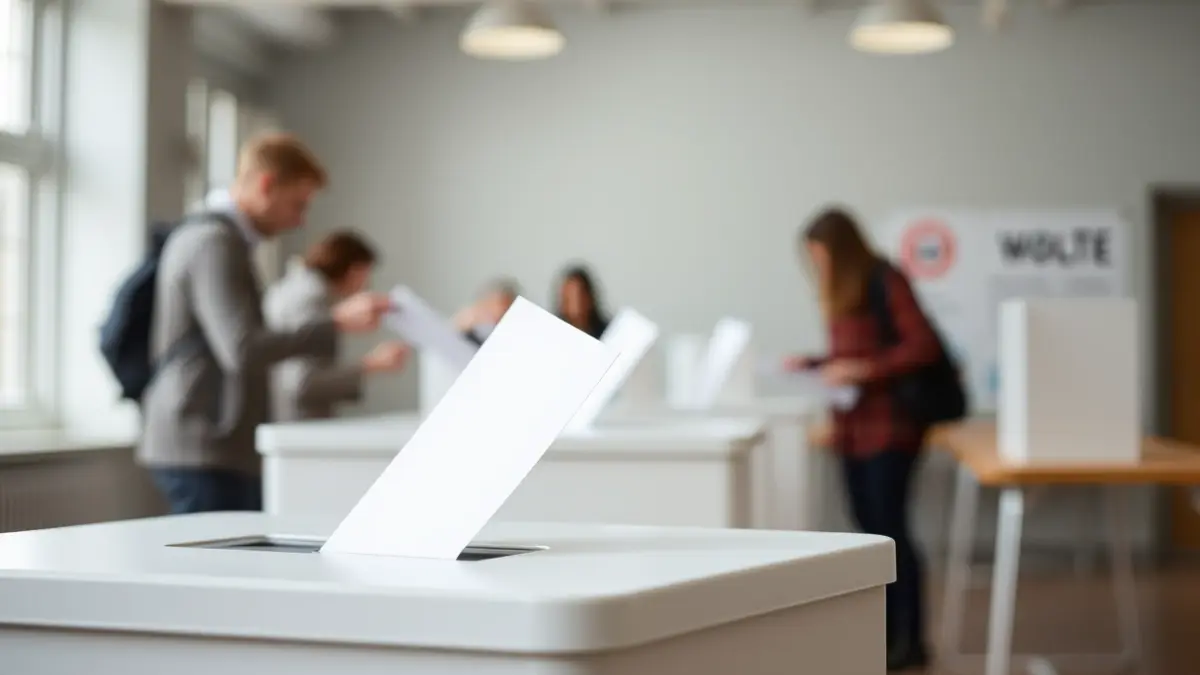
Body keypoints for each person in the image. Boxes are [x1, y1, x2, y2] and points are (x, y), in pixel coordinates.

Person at [138, 133, 393, 516]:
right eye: (298, 204)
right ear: (266, 185)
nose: (300, 220)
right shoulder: (213, 243)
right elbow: (242, 349)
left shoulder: (222, 241)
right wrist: (335, 324)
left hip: (214, 439)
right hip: (204, 437)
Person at [783, 207, 941, 671]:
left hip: (891, 430)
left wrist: (865, 370)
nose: (818, 267)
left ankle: (910, 639)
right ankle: (883, 633)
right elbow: (850, 356)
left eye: (822, 256)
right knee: (869, 531)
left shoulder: (884, 280)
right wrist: (815, 365)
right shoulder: (842, 293)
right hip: (852, 432)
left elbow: (922, 345)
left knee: (891, 533)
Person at [264, 230, 410, 422]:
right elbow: (303, 384)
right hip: (298, 423)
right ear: (354, 270)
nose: (366, 284)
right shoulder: (310, 299)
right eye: (366, 274)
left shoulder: (292, 290)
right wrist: (372, 364)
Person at [453, 278, 520, 345]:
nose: (499, 311)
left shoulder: (507, 334)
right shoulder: (465, 323)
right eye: (493, 305)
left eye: (506, 308)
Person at [555, 264, 609, 338]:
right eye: (567, 299)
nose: (572, 305)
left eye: (575, 297)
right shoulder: (554, 333)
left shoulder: (608, 333)